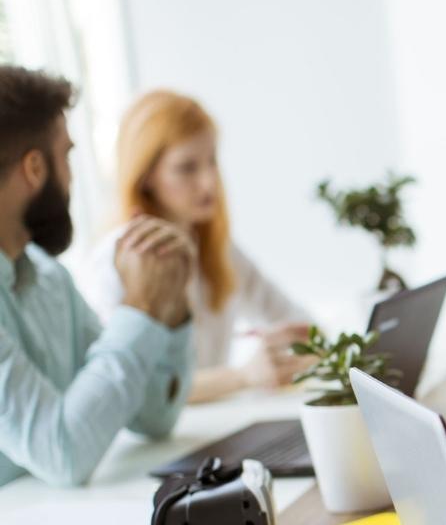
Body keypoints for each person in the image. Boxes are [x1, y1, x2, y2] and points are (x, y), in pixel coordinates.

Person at [0, 67, 194, 488]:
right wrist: (140, 307)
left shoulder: (51, 279)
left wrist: (168, 307)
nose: (72, 176)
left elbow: (153, 416)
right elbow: (63, 454)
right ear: (35, 168)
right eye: (66, 155)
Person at [84, 90, 311, 403]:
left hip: (216, 428)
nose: (209, 182)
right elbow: (135, 394)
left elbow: (299, 322)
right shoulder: (117, 258)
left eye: (212, 161)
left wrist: (290, 346)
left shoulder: (215, 246)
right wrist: (242, 376)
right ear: (146, 176)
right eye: (187, 167)